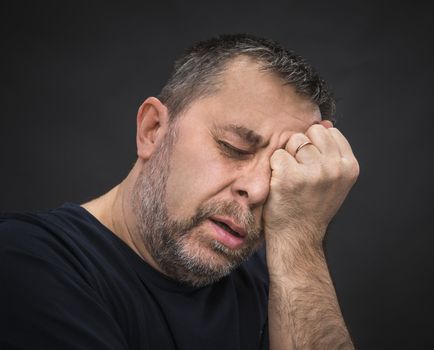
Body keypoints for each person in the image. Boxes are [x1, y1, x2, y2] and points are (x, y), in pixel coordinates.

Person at [0, 34, 359, 349]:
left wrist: (301, 238)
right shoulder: (25, 262)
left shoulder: (279, 282)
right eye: (233, 147)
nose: (258, 189)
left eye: (279, 171)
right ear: (153, 130)